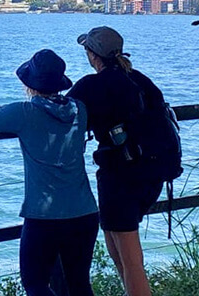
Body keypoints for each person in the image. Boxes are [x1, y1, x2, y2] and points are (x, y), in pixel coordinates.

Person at [0, 49, 99, 296]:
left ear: (30, 84)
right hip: (84, 212)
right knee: (79, 285)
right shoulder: (79, 109)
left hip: (44, 216)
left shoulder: (24, 112)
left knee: (35, 284)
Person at [67, 26, 164, 296]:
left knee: (130, 259)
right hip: (152, 173)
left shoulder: (91, 85)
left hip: (120, 177)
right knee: (115, 245)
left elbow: (61, 113)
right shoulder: (139, 79)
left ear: (92, 55)